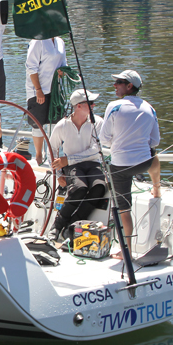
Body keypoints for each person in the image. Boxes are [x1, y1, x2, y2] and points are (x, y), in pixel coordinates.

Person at [99, 70, 161, 258]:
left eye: (119, 82)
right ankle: (156, 188)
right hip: (143, 163)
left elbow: (103, 139)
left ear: (129, 86)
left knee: (124, 210)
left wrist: (117, 144)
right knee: (155, 159)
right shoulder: (150, 108)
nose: (114, 85)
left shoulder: (114, 106)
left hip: (121, 167)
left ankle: (127, 250)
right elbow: (155, 141)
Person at [48, 89, 107, 240]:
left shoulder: (97, 122)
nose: (94, 105)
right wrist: (59, 174)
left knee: (99, 188)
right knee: (80, 189)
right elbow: (51, 148)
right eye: (90, 103)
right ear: (78, 106)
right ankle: (57, 225)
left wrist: (69, 159)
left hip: (92, 164)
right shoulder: (62, 125)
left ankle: (72, 226)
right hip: (73, 167)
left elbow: (96, 151)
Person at [25, 36, 66, 165]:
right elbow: (31, 67)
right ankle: (38, 155)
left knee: (56, 122)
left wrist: (62, 71)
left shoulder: (60, 42)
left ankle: (53, 155)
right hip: (38, 90)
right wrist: (38, 90)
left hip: (55, 90)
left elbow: (64, 63)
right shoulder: (38, 41)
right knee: (38, 123)